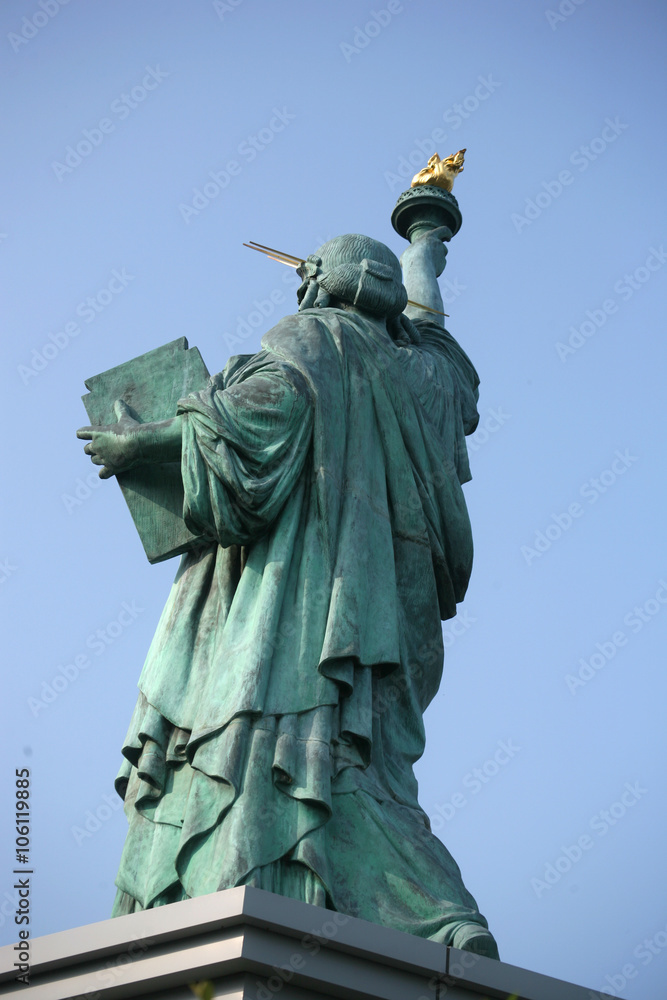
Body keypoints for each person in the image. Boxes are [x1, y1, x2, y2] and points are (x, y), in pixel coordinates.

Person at [77, 229, 499, 958]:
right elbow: (430, 322)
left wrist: (136, 443)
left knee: (278, 747)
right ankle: (436, 916)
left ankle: (263, 886)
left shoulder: (313, 340)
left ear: (324, 286)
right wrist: (425, 238)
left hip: (296, 607)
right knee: (356, 764)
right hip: (386, 624)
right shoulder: (427, 379)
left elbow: (250, 420)